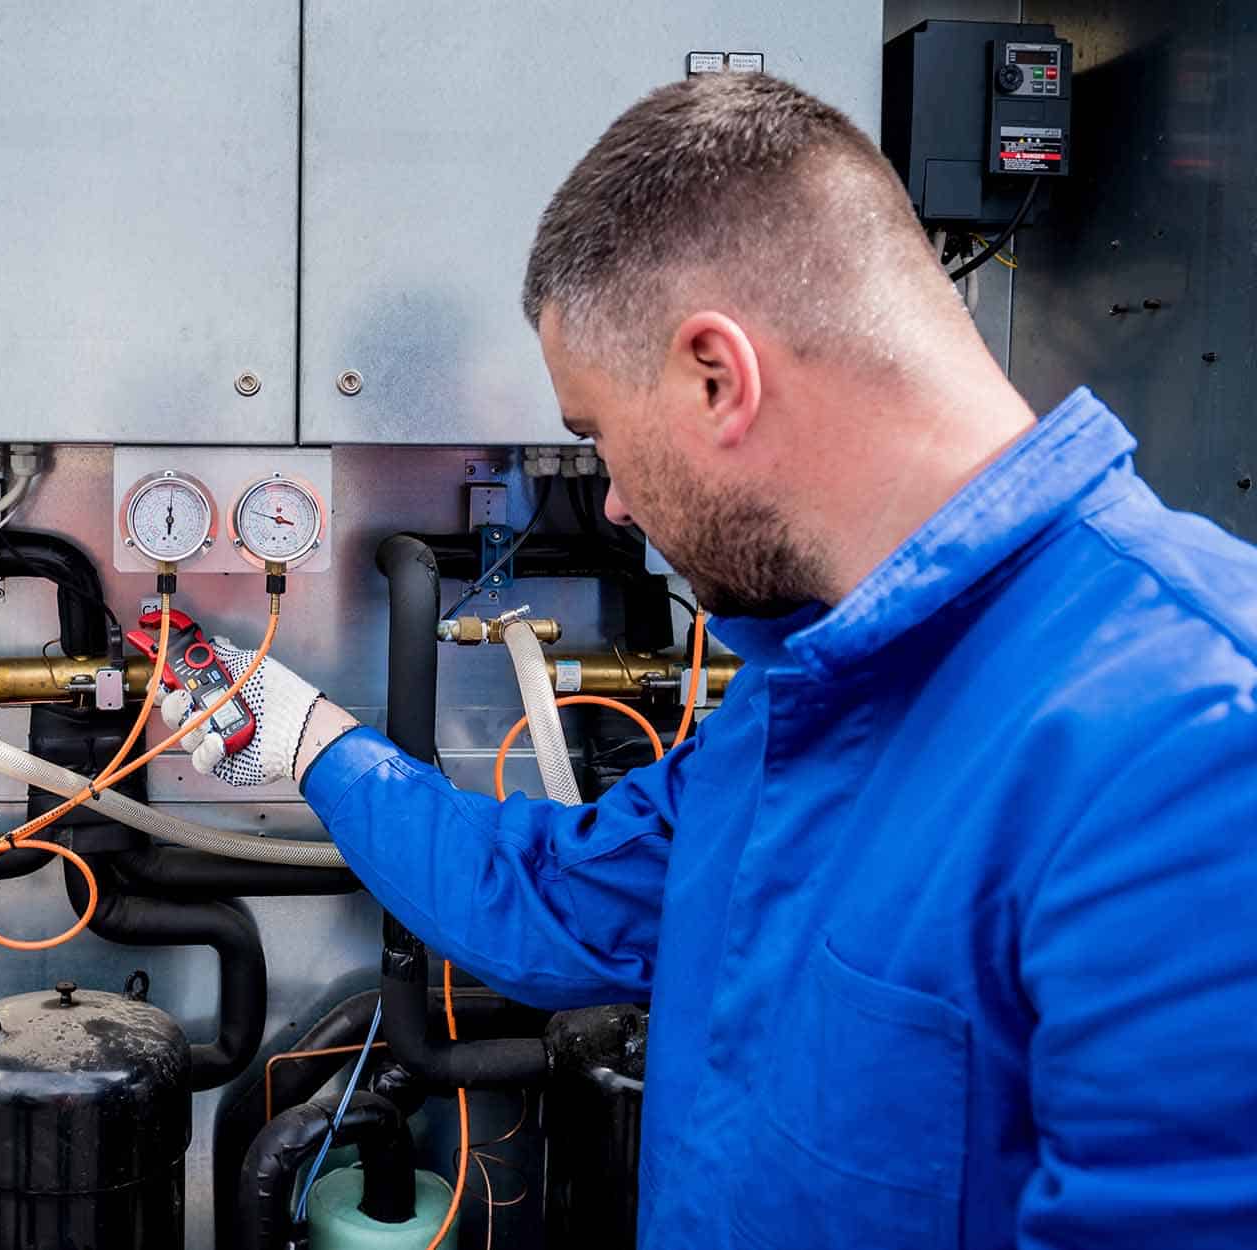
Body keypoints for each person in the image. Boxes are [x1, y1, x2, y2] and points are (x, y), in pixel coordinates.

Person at [158, 74, 1257, 1248]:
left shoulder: (1192, 748)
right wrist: (307, 736)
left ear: (714, 377)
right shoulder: (812, 687)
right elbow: (547, 901)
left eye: (597, 437)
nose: (616, 502)